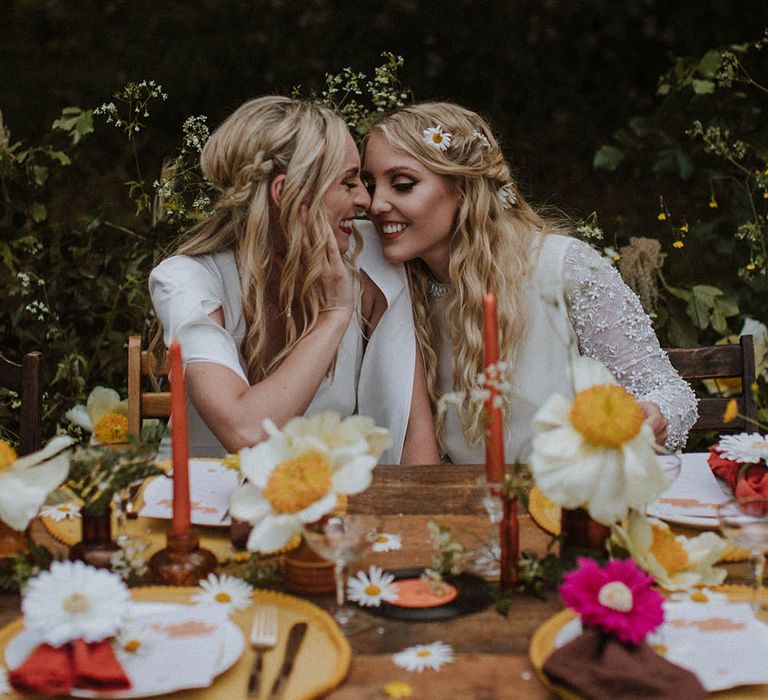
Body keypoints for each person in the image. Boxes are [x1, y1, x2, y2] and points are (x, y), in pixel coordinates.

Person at [361, 101, 697, 463]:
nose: (376, 204)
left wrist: (654, 415)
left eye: (402, 184)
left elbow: (670, 393)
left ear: (461, 187)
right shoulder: (391, 288)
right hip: (464, 505)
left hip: (569, 500)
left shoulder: (562, 266)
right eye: (369, 184)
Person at [149, 96, 438, 464]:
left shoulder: (372, 264)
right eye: (348, 183)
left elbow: (414, 435)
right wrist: (333, 316)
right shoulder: (189, 280)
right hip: (204, 506)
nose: (366, 199)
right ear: (285, 194)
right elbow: (245, 431)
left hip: (325, 502)